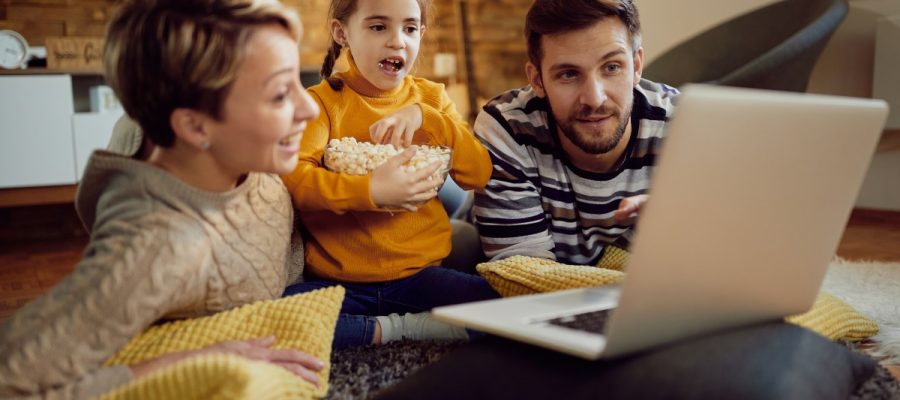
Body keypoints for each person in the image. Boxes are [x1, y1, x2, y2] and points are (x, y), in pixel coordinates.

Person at [0, 0, 325, 398]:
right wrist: (174, 364)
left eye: (297, 81)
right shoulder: (157, 249)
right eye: (279, 95)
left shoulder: (225, 147)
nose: (308, 107)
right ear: (192, 124)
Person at [280, 0, 499, 348]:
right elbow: (296, 180)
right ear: (342, 33)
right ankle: (400, 329)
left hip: (421, 278)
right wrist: (371, 191)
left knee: (506, 310)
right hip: (341, 284)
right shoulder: (320, 103)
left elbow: (479, 173)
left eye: (410, 28)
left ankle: (373, 330)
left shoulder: (431, 98)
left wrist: (428, 117)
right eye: (378, 27)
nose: (398, 41)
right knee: (274, 317)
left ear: (421, 34)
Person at [472, 0, 678, 265]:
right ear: (537, 80)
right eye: (569, 74)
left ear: (636, 66)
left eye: (612, 67)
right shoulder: (507, 127)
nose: (594, 98)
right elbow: (524, 280)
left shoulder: (683, 126)